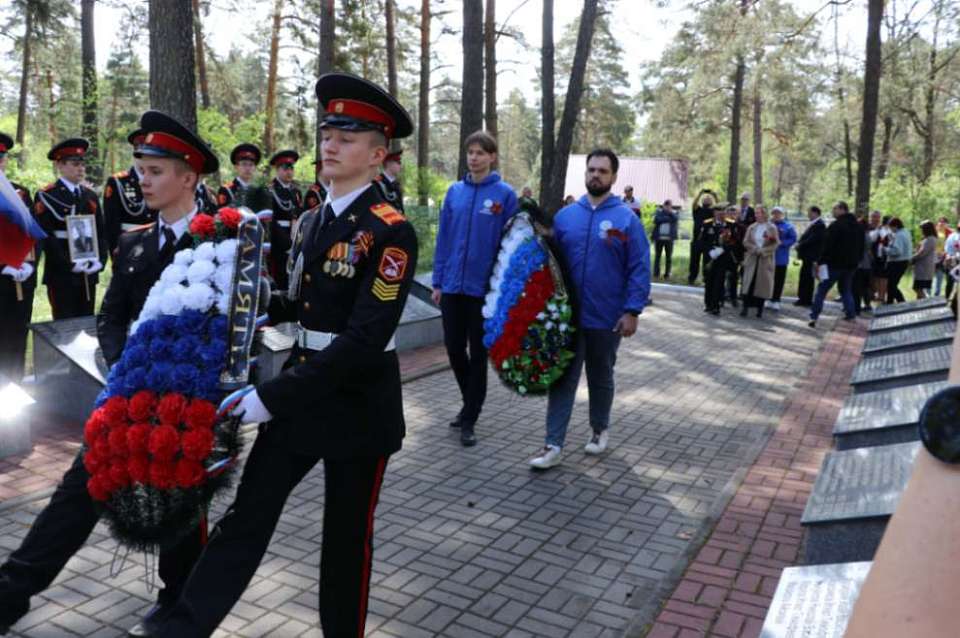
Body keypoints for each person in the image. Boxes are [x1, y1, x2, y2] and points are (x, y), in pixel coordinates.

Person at [153, 72, 417, 638]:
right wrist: (229, 312)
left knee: (346, 541)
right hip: (300, 395)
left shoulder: (390, 232)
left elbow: (363, 342)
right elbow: (295, 309)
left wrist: (269, 397)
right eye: (328, 131)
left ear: (377, 155)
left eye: (348, 136)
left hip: (357, 405)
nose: (330, 143)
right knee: (246, 518)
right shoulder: (312, 220)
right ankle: (179, 629)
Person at [0, 113, 220, 638]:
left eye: (156, 171)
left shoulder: (224, 243)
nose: (142, 180)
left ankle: (176, 599)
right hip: (127, 394)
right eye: (140, 169)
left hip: (187, 402)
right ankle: (11, 592)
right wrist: (126, 365)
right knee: (77, 491)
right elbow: (111, 315)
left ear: (189, 178)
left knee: (178, 502)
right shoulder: (135, 244)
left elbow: (234, 323)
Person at [529, 149, 649, 469]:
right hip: (568, 318)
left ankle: (599, 430)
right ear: (585, 174)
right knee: (563, 379)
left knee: (600, 376)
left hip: (607, 317)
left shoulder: (626, 219)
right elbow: (548, 264)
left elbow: (639, 268)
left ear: (613, 177)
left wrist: (632, 311)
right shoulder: (566, 217)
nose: (596, 175)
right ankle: (553, 445)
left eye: (603, 171)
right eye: (592, 170)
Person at [431, 130, 518, 447]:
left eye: (481, 152)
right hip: (453, 286)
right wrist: (439, 281)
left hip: (484, 291)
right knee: (454, 349)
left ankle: (469, 418)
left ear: (492, 157)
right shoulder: (454, 192)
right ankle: (470, 403)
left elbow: (511, 245)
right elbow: (444, 239)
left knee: (479, 355)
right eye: (470, 152)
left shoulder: (505, 196)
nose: (474, 157)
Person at [33, 138, 107, 320]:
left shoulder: (89, 196)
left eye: (82, 164)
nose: (81, 169)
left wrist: (100, 261)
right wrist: (69, 264)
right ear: (60, 165)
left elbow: (101, 232)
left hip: (88, 271)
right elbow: (46, 236)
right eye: (75, 164)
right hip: (62, 273)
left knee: (86, 322)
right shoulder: (47, 195)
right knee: (64, 324)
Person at [0, 132, 38, 383]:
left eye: (1, 157)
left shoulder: (20, 194)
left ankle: (12, 390)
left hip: (18, 282)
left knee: (15, 337)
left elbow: (33, 232)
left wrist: (28, 264)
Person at [102, 129, 157, 259]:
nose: (146, 159)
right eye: (141, 155)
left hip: (155, 245)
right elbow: (111, 223)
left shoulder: (161, 181)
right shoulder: (118, 182)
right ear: (135, 153)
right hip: (128, 247)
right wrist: (115, 252)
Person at [808, 201, 863, 327]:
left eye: (835, 209)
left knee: (821, 290)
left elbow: (827, 246)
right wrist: (857, 261)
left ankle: (814, 317)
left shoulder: (836, 225)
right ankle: (851, 315)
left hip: (833, 265)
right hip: (851, 266)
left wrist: (820, 261)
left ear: (842, 209)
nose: (833, 211)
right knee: (846, 290)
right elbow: (862, 247)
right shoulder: (858, 226)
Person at [266, 149, 304, 294]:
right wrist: (285, 242)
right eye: (285, 168)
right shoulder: (270, 190)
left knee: (294, 274)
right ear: (277, 169)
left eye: (291, 168)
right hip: (278, 239)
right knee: (280, 273)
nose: (289, 172)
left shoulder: (296, 192)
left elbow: (301, 214)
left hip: (295, 236)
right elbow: (271, 219)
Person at [739, 205, 779, 318]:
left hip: (765, 260)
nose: (756, 215)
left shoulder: (772, 227)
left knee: (762, 285)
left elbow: (776, 244)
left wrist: (764, 251)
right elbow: (745, 242)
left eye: (759, 213)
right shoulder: (752, 227)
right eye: (756, 213)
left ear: (764, 214)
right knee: (748, 283)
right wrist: (754, 249)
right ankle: (745, 308)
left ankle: (759, 310)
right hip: (752, 258)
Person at [700, 205, 739, 316]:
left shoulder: (731, 224)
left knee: (719, 282)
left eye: (722, 212)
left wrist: (723, 248)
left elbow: (735, 241)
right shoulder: (707, 224)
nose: (720, 214)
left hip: (723, 259)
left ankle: (716, 306)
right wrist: (710, 251)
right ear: (714, 213)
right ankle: (708, 304)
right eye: (718, 212)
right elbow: (702, 241)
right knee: (709, 282)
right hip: (710, 258)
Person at [793, 206, 825, 306]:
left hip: (811, 257)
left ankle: (805, 299)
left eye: (810, 213)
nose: (808, 215)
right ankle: (803, 298)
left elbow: (812, 239)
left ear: (816, 213)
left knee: (807, 278)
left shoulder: (820, 225)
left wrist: (800, 245)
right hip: (807, 256)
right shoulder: (814, 224)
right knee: (804, 277)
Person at [217, 143, 262, 208]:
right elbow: (221, 214)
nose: (248, 168)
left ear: (255, 168)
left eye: (251, 165)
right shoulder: (226, 189)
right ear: (236, 167)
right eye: (244, 164)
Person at [768, 206, 796, 310]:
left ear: (782, 214)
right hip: (769, 257)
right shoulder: (768, 225)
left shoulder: (788, 226)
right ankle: (768, 298)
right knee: (769, 279)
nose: (776, 215)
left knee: (779, 280)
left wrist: (782, 243)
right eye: (774, 213)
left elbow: (793, 239)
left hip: (781, 258)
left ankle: (776, 300)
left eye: (778, 213)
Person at [688, 189, 716, 284]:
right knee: (694, 260)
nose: (707, 199)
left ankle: (706, 279)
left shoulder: (713, 211)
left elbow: (719, 207)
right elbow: (694, 203)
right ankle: (692, 278)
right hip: (696, 240)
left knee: (707, 261)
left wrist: (714, 195)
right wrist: (700, 193)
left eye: (709, 198)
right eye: (705, 198)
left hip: (708, 240)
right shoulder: (697, 210)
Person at [884, 217, 912, 304]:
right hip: (904, 261)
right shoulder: (906, 232)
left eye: (891, 227)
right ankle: (898, 302)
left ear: (895, 226)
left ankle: (896, 303)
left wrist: (885, 249)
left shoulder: (899, 235)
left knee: (891, 285)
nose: (891, 230)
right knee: (892, 285)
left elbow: (897, 251)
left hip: (897, 262)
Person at [650, 199, 678, 279]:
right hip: (659, 238)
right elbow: (656, 220)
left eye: (669, 206)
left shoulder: (674, 213)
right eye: (666, 206)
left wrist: (669, 213)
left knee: (668, 257)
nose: (668, 207)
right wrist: (668, 218)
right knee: (657, 257)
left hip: (669, 239)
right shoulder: (658, 212)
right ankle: (656, 274)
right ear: (664, 206)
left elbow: (675, 219)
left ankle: (667, 274)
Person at [853, 213, 875, 314]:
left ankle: (856, 307)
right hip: (868, 265)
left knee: (857, 287)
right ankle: (867, 304)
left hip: (860, 265)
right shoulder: (868, 236)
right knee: (866, 286)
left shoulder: (860, 236)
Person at [911, 220, 938, 300]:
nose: (921, 230)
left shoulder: (930, 239)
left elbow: (922, 253)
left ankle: (928, 302)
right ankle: (920, 306)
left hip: (924, 268)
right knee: (919, 288)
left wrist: (911, 258)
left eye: (922, 228)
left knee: (917, 288)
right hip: (923, 267)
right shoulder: (928, 239)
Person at [869, 213, 891, 304]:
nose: (876, 219)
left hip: (885, 256)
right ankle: (876, 294)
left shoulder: (890, 231)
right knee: (876, 276)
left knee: (883, 277)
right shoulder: (877, 229)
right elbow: (872, 239)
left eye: (878, 218)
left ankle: (882, 296)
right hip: (875, 256)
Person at [934, 216, 950, 296]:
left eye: (943, 222)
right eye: (940, 221)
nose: (941, 223)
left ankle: (937, 295)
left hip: (943, 258)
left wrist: (944, 253)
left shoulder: (950, 232)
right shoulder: (933, 231)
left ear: (947, 224)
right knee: (928, 278)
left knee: (939, 277)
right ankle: (927, 296)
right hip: (932, 257)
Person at [944, 223, 960, 300]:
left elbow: (946, 248)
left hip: (950, 260)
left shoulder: (951, 235)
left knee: (950, 283)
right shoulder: (955, 236)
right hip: (955, 261)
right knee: (953, 283)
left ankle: (947, 298)